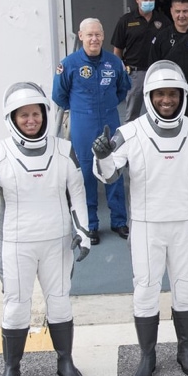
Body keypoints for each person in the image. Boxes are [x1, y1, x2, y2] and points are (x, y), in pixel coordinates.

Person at [0, 82, 90, 376]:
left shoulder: (64, 149)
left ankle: (65, 361)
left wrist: (82, 232)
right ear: (12, 118)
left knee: (59, 301)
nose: (31, 120)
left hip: (57, 239)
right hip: (16, 243)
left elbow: (77, 193)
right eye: (23, 115)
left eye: (36, 113)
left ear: (44, 113)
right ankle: (12, 368)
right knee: (16, 306)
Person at [91, 60, 188, 376]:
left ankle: (185, 349)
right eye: (160, 93)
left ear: (182, 95)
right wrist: (103, 156)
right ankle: (148, 355)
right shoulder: (128, 133)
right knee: (145, 291)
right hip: (147, 226)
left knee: (187, 290)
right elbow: (109, 174)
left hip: (187, 225)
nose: (166, 100)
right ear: (148, 95)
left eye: (172, 94)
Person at [52, 18, 131, 246]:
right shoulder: (69, 64)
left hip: (109, 122)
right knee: (85, 175)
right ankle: (91, 225)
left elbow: (122, 90)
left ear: (103, 36)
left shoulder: (114, 63)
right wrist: (81, 110)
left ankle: (119, 221)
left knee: (113, 171)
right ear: (81, 36)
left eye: (98, 34)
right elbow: (59, 95)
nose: (94, 39)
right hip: (82, 125)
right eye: (89, 35)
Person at [112, 0, 171, 123]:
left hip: (157, 73)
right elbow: (118, 49)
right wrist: (118, 73)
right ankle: (131, 143)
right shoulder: (126, 21)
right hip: (134, 73)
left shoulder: (163, 20)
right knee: (132, 115)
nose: (148, 2)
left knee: (159, 112)